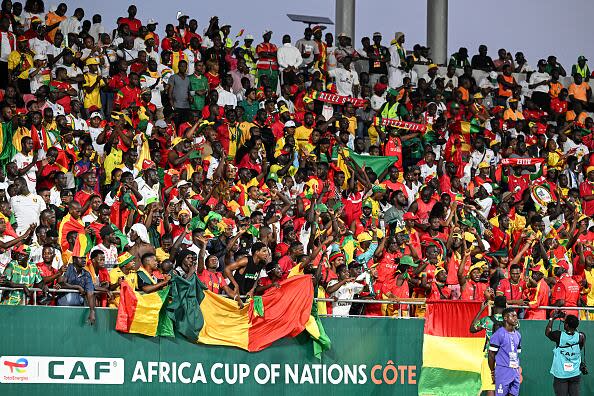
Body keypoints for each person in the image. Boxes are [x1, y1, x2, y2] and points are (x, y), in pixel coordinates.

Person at [471, 295, 507, 396]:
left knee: (490, 387)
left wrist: (481, 310)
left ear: (494, 307)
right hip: (504, 358)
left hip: (489, 356)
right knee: (502, 388)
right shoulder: (510, 320)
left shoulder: (487, 320)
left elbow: (472, 328)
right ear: (505, 307)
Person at [546, 311, 586, 396]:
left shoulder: (559, 335)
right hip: (575, 373)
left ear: (566, 325)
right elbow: (580, 347)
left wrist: (552, 318)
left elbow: (548, 332)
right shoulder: (581, 336)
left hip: (561, 375)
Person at [489, 308, 522, 396]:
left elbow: (516, 353)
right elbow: (491, 354)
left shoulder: (518, 335)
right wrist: (492, 371)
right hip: (503, 370)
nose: (515, 318)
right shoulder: (499, 334)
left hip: (515, 371)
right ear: (505, 318)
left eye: (516, 316)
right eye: (513, 316)